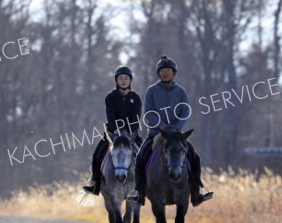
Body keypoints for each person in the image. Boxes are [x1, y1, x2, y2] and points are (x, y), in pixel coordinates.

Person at [126, 55, 213, 207]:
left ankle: (195, 193)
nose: (165, 73)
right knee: (140, 157)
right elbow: (148, 112)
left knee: (195, 157)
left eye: (168, 70)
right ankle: (139, 193)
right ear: (158, 73)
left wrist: (177, 128)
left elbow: (185, 111)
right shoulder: (151, 91)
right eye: (162, 70)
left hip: (177, 135)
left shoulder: (181, 92)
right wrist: (162, 127)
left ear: (174, 72)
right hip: (156, 134)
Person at [82, 66, 142, 195]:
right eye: (120, 78)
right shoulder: (110, 97)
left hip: (131, 135)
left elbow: (136, 117)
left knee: (144, 154)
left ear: (130, 80)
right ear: (116, 80)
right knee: (97, 154)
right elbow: (111, 116)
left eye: (126, 78)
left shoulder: (136, 97)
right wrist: (116, 132)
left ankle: (143, 185)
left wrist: (130, 132)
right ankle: (95, 183)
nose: (123, 81)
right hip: (112, 135)